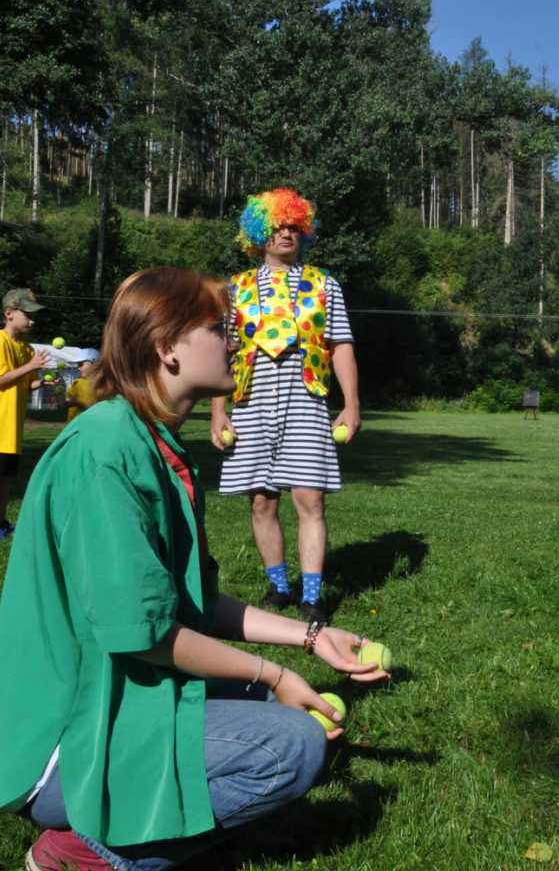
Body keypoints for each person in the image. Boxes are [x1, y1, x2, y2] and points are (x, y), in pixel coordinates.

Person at [0, 267, 388, 871]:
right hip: (63, 740)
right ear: (166, 348)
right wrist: (276, 674)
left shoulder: (158, 445)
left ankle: (150, 818)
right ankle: (84, 852)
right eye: (220, 330)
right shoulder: (106, 450)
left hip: (116, 693)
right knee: (293, 744)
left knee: (273, 707)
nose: (237, 342)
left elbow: (193, 604)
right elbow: (147, 635)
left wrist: (311, 637)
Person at [211, 189, 361, 622]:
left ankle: (312, 596)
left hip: (307, 398)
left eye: (294, 226)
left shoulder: (323, 284)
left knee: (310, 499)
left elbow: (342, 346)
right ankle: (279, 587)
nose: (286, 233)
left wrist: (351, 405)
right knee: (262, 501)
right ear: (258, 234)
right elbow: (225, 353)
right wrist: (219, 412)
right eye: (277, 226)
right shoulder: (235, 289)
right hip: (251, 399)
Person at [0, 288, 53, 538]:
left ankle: (1, 524)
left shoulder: (27, 349)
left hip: (12, 428)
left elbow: (24, 383)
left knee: (6, 479)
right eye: (27, 314)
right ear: (9, 313)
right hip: (0, 424)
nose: (32, 320)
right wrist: (30, 366)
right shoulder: (0, 342)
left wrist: (40, 383)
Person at [63, 352, 99, 421]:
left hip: (90, 425)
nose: (78, 368)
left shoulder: (103, 385)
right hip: (74, 425)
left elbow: (100, 410)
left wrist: (79, 404)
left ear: (95, 365)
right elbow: (69, 399)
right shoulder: (77, 382)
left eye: (81, 364)